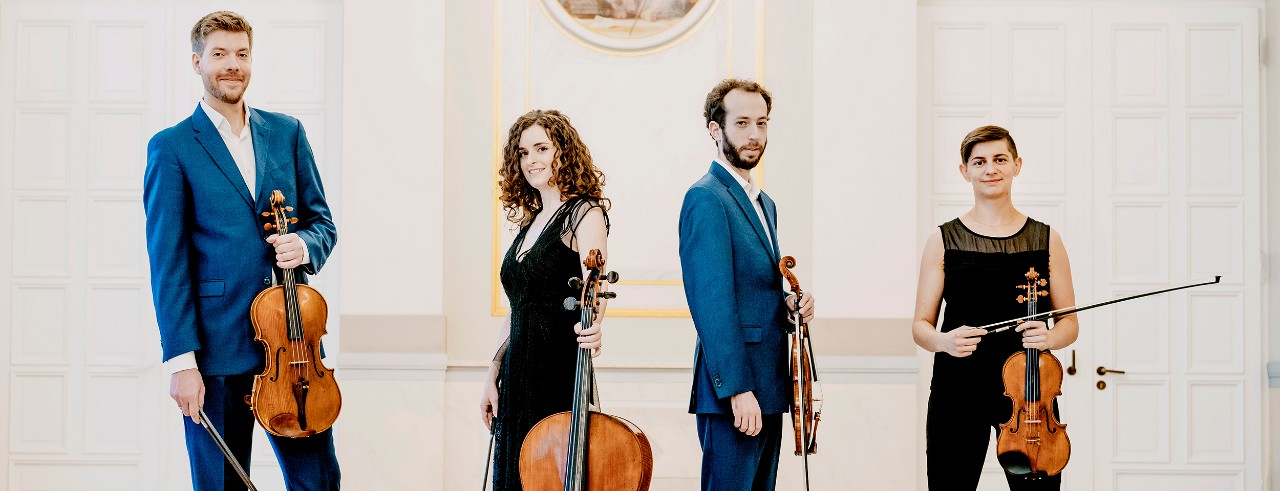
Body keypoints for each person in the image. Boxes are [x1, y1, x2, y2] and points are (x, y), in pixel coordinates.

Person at [144, 11, 340, 490]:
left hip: (293, 348)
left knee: (319, 482)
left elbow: (323, 223)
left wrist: (305, 244)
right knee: (222, 484)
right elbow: (167, 262)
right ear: (197, 62)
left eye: (242, 54)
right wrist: (182, 364)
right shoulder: (171, 147)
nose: (232, 65)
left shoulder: (287, 132)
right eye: (219, 54)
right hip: (215, 352)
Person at [911, 125, 1079, 490]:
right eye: (979, 161)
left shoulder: (1047, 239)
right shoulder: (943, 239)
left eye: (1000, 159)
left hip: (1029, 396)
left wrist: (1049, 337)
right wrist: (944, 341)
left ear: (1016, 165)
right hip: (957, 391)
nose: (991, 169)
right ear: (964, 171)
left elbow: (1070, 323)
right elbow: (921, 325)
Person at [678, 79, 815, 491]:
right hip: (737, 393)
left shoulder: (764, 202)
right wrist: (738, 390)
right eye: (742, 123)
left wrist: (793, 303)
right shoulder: (706, 198)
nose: (755, 135)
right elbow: (712, 304)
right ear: (715, 130)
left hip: (772, 385)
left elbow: (753, 289)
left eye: (762, 123)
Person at [479, 109, 609, 490]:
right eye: (522, 152)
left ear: (562, 152)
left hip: (556, 367)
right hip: (516, 371)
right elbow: (518, 306)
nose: (530, 160)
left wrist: (595, 323)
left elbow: (595, 286)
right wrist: (492, 372)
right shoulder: (530, 223)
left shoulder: (584, 213)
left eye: (541, 148)